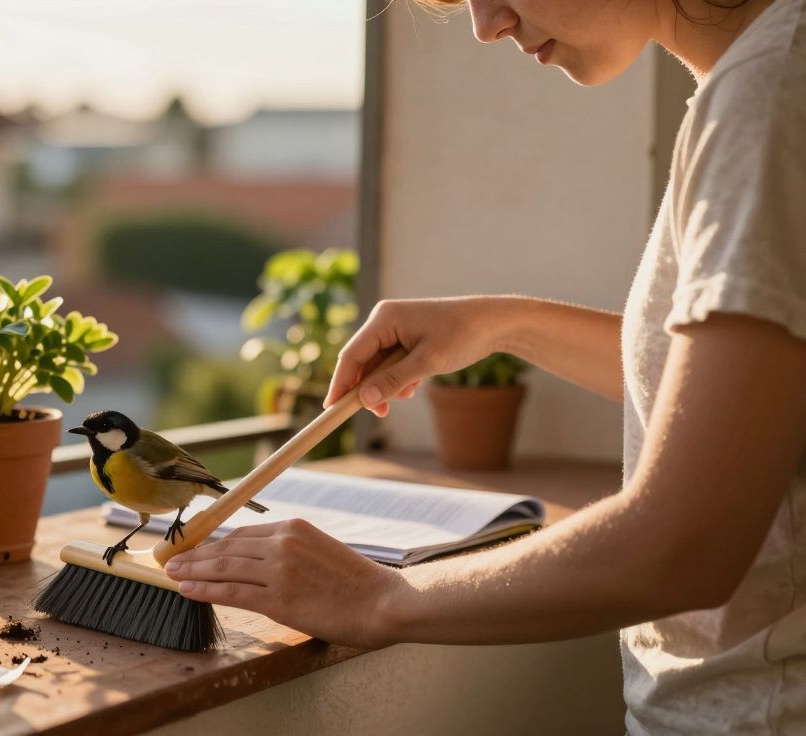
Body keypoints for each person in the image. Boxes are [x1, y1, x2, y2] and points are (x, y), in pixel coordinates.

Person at [163, 0, 806, 732]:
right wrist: (506, 325)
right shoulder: (764, 74)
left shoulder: (769, 94)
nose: (486, 23)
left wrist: (380, 598)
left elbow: (685, 546)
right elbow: (734, 399)